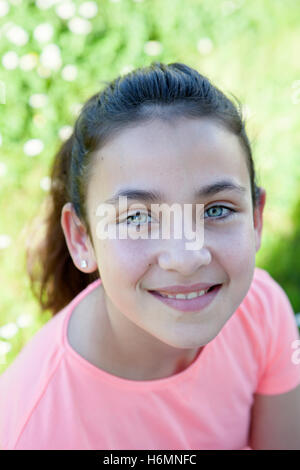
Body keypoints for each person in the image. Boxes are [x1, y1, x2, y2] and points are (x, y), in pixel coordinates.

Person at [1, 62, 300, 450]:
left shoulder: (262, 309)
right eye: (138, 217)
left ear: (256, 220)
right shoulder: (34, 432)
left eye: (216, 210)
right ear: (81, 238)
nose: (186, 256)